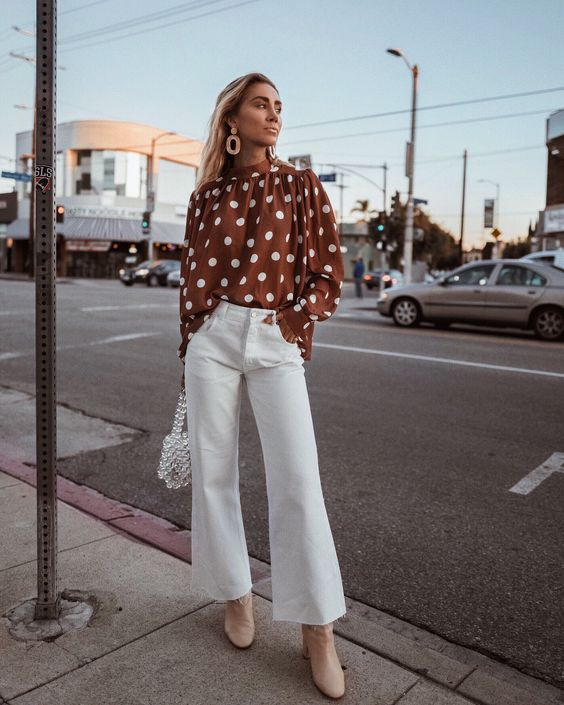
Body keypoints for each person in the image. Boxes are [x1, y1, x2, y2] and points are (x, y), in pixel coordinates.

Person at [178, 72, 347, 699]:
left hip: (275, 339)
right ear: (232, 119)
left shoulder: (300, 186)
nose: (273, 115)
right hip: (213, 339)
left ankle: (318, 629)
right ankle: (236, 594)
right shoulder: (204, 198)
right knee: (215, 473)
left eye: (279, 106)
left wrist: (293, 321)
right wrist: (192, 340)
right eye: (260, 104)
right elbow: (191, 284)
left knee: (297, 481)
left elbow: (329, 269)